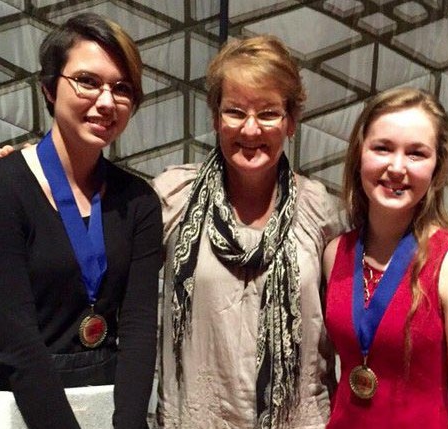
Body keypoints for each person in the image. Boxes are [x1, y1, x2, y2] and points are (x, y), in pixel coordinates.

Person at [0, 13, 162, 429]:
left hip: (99, 399)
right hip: (14, 399)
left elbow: (138, 330)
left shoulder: (138, 201)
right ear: (49, 88)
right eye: (87, 81)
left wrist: (131, 423)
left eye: (122, 89)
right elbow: (15, 341)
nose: (106, 101)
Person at [152, 35, 343, 428]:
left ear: (291, 121)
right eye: (235, 111)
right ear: (215, 118)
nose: (251, 129)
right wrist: (36, 171)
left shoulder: (320, 212)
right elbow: (96, 238)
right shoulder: (172, 199)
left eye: (269, 113)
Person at [322, 87, 448, 428]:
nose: (397, 167)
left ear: (437, 167)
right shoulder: (336, 254)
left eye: (416, 154)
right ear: (359, 155)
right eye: (382, 148)